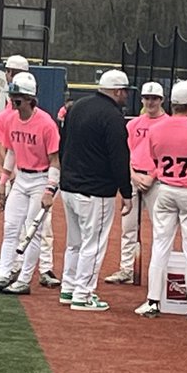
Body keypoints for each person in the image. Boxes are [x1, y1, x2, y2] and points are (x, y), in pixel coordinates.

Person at [135, 80, 187, 321]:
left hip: (166, 189)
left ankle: (152, 301)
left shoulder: (156, 129)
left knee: (160, 245)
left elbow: (153, 157)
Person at [58, 70, 132, 311]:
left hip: (69, 186)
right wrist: (127, 192)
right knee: (94, 244)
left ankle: (68, 288)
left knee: (75, 243)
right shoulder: (112, 116)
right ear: (118, 91)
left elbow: (63, 143)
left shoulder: (77, 107)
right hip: (96, 191)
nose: (126, 97)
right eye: (125, 92)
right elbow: (119, 157)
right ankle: (83, 294)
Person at [0, 72, 61, 295]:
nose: (13, 101)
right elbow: (11, 152)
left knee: (33, 231)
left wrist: (49, 189)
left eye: (17, 98)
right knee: (10, 228)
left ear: (29, 99)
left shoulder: (46, 124)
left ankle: (24, 279)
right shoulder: (10, 120)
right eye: (12, 97)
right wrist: (4, 181)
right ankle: (4, 275)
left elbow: (55, 160)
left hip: (41, 178)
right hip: (21, 178)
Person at [104, 81, 165, 285]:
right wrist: (132, 175)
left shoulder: (167, 124)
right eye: (147, 98)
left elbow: (167, 156)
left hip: (155, 181)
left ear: (161, 100)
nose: (150, 102)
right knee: (128, 227)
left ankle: (160, 271)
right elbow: (124, 153)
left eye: (154, 98)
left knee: (161, 228)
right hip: (133, 177)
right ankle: (126, 269)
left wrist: (152, 176)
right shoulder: (133, 124)